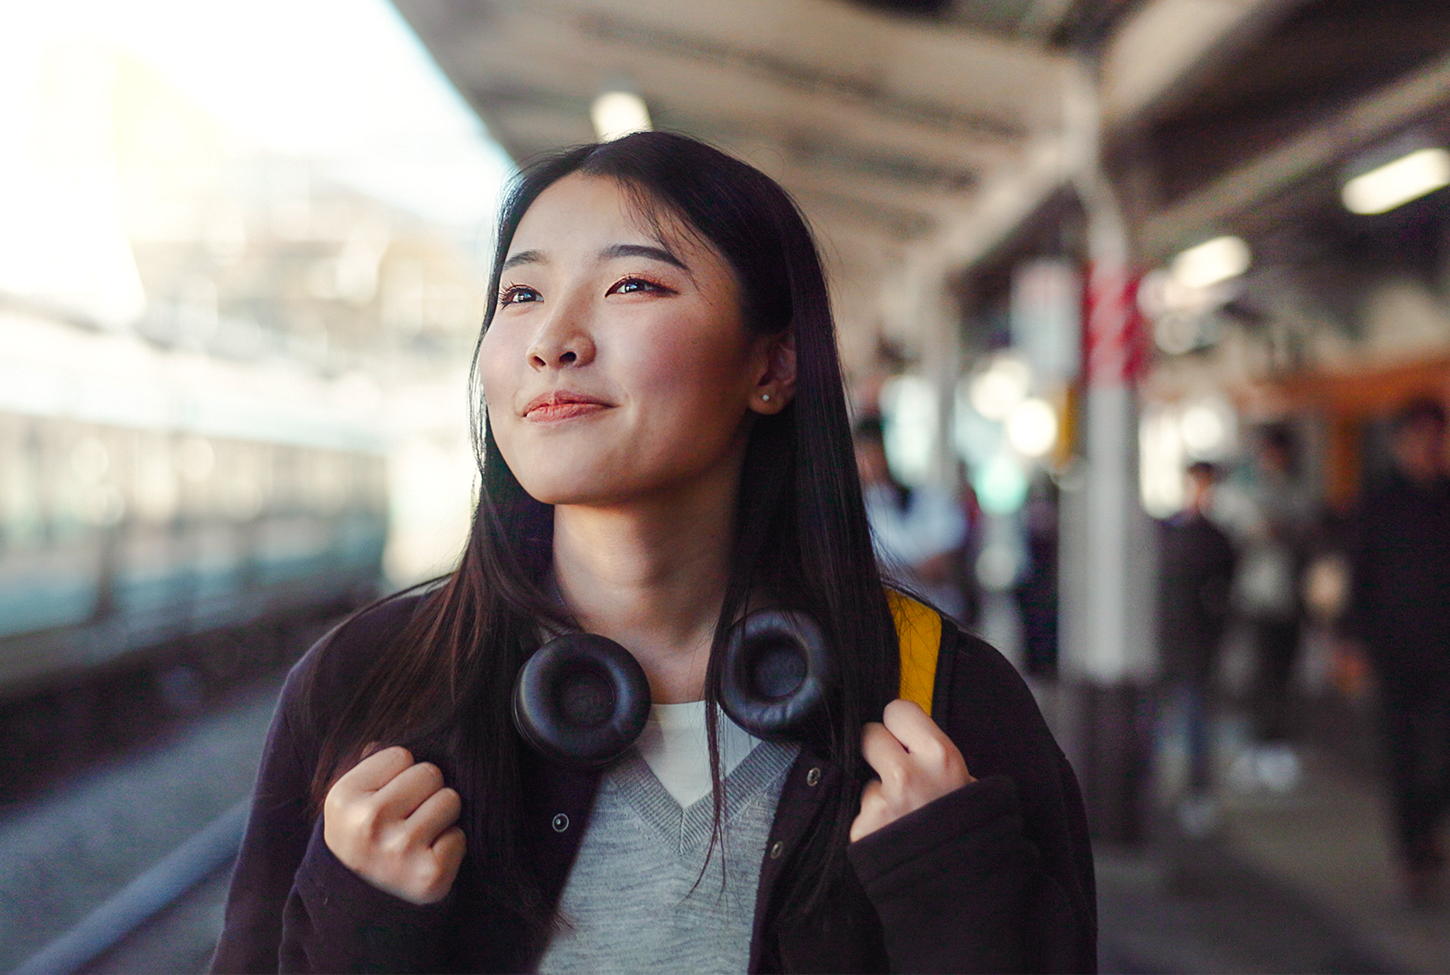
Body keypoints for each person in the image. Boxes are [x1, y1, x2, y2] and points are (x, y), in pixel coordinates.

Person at [210, 132, 1095, 973]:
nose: (553, 339)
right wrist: (357, 931)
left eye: (632, 286)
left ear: (774, 366)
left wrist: (957, 907)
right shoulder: (370, 683)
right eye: (521, 296)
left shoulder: (942, 700)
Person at [1348, 398, 1450, 903]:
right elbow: (1358, 576)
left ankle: (1429, 829)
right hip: (1393, 649)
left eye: (1437, 437)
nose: (1429, 448)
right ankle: (1413, 850)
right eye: (1419, 437)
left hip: (1445, 649)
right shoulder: (1379, 502)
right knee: (1402, 755)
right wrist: (1353, 642)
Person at [1214, 425, 1315, 793]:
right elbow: (1229, 538)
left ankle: (1277, 748)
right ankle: (1256, 749)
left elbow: (1308, 537)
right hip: (1254, 599)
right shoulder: (1244, 494)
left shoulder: (1296, 494)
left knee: (1283, 676)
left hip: (1288, 600)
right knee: (1257, 676)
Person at [1155, 461, 1237, 833]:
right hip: (1167, 638)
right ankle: (1160, 791)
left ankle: (1196, 793)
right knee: (1166, 720)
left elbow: (1227, 591)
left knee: (1195, 720)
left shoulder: (1217, 539)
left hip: (1197, 641)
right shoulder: (1166, 531)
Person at [852, 415, 968, 620]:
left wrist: (887, 568)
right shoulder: (856, 508)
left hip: (936, 615)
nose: (866, 462)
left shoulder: (928, 498)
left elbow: (938, 566)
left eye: (870, 452)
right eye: (860, 454)